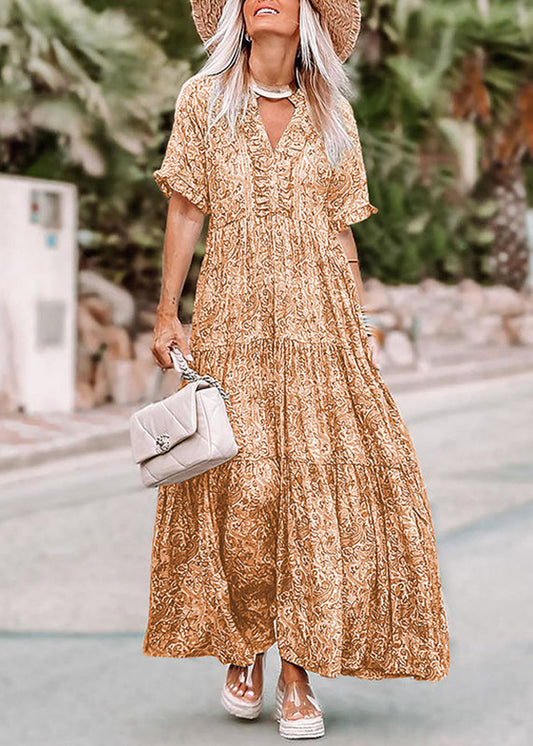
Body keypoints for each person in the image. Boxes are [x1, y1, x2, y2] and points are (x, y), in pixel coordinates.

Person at [146, 0, 450, 739]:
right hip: (233, 324)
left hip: (319, 328)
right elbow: (185, 209)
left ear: (308, 15)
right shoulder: (203, 99)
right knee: (243, 489)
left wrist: (360, 326)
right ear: (239, 16)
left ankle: (296, 672)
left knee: (314, 492)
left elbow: (342, 234)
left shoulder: (332, 113)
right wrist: (165, 313)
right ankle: (243, 646)